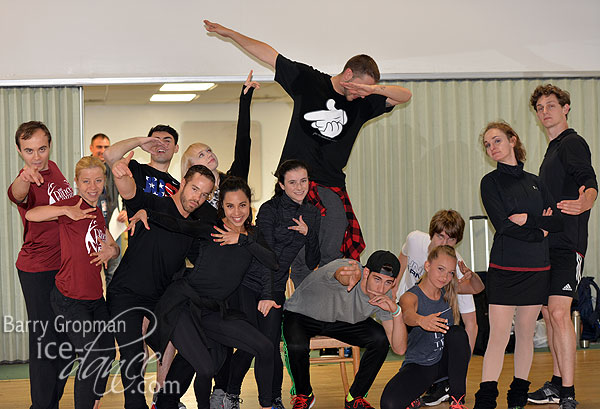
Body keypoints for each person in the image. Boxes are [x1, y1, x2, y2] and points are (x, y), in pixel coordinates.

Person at [203, 20, 412, 286]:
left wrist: (371, 90)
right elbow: (269, 54)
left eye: (365, 91)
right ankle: (295, 303)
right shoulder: (310, 81)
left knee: (334, 253)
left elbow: (404, 95)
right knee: (295, 255)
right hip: (296, 185)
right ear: (347, 74)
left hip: (331, 187)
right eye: (359, 87)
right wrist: (231, 33)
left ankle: (328, 299)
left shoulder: (363, 102)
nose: (360, 95)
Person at [131, 177, 278, 409]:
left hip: (213, 310)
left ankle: (267, 405)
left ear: (249, 204)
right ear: (222, 208)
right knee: (205, 367)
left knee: (265, 347)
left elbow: (272, 262)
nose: (237, 212)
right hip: (183, 306)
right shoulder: (212, 230)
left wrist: (241, 240)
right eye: (230, 206)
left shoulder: (253, 236)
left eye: (242, 205)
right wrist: (147, 213)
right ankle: (172, 402)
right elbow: (179, 225)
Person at [106, 149, 215, 409]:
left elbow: (204, 261)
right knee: (134, 354)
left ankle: (166, 401)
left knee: (194, 348)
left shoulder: (195, 226)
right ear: (183, 183)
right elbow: (129, 192)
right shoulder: (154, 203)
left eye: (204, 194)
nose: (197, 198)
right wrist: (119, 173)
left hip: (159, 301)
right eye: (194, 189)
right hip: (126, 294)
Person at [474, 121, 563, 409]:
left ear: (513, 140)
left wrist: (529, 221)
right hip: (505, 269)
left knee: (526, 334)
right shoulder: (490, 182)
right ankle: (486, 399)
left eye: (497, 140)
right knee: (498, 336)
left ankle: (517, 397)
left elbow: (557, 221)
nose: (492, 147)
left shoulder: (536, 182)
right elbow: (503, 226)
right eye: (487, 144)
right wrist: (540, 232)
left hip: (537, 270)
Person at [222, 160, 320, 409]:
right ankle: (229, 394)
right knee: (251, 343)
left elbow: (312, 261)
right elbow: (266, 255)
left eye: (303, 181)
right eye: (292, 182)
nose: (299, 187)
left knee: (270, 345)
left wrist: (309, 235)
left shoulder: (312, 213)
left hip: (275, 286)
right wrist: (266, 293)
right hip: (248, 283)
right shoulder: (269, 209)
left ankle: (273, 399)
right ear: (282, 185)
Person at [25, 156, 120, 409]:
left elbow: (112, 245)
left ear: (104, 181)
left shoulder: (97, 212)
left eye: (98, 180)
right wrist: (65, 210)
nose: (92, 187)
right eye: (86, 181)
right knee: (90, 357)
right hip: (69, 299)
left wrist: (112, 251)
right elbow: (32, 214)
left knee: (107, 353)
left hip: (95, 298)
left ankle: (94, 398)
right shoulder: (71, 205)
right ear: (76, 182)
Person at [527, 85, 597, 409]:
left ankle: (568, 393)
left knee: (558, 312)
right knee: (549, 313)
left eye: (551, 105)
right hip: (547, 243)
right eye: (540, 107)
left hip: (569, 244)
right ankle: (556, 383)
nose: (545, 111)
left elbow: (589, 181)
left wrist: (586, 202)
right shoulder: (551, 151)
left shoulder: (572, 143)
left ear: (565, 108)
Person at [283, 251, 407, 409]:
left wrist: (396, 312)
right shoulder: (348, 268)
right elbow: (340, 275)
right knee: (296, 346)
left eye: (388, 282)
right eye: (377, 279)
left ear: (394, 283)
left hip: (340, 321)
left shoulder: (385, 296)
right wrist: (349, 278)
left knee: (380, 340)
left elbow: (399, 349)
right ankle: (304, 394)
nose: (381, 288)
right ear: (366, 272)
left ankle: (355, 397)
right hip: (303, 314)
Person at [7, 121, 75, 409]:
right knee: (45, 343)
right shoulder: (27, 178)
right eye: (29, 151)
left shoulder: (55, 169)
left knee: (69, 344)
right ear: (19, 151)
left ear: (50, 146)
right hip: (38, 270)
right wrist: (25, 177)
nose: (36, 157)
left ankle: (47, 403)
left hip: (63, 267)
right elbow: (17, 194)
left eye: (42, 149)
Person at [380, 245, 484, 409]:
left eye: (450, 273)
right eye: (440, 269)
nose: (445, 277)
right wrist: (421, 320)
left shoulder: (448, 290)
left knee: (457, 333)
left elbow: (478, 288)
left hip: (445, 363)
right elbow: (407, 314)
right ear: (428, 266)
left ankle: (457, 400)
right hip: (421, 365)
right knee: (389, 404)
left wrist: (471, 274)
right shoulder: (411, 295)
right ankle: (415, 396)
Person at [395, 209, 479, 406]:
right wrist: (393, 285)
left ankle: (443, 384)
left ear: (457, 242)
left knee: (453, 334)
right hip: (410, 311)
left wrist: (461, 371)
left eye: (451, 239)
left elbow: (471, 324)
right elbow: (403, 255)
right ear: (431, 234)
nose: (444, 243)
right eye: (440, 236)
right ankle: (419, 381)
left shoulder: (456, 267)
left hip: (435, 325)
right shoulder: (415, 239)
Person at [90, 132, 127, 287]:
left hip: (112, 227)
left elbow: (126, 192)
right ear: (91, 148)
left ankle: (112, 302)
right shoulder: (85, 169)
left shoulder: (114, 169)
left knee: (114, 271)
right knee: (90, 270)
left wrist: (125, 209)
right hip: (90, 226)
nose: (103, 151)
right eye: (99, 147)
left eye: (106, 147)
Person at [103, 124, 181, 197]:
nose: (161, 144)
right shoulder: (134, 169)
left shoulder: (177, 187)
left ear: (176, 148)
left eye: (167, 141)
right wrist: (139, 142)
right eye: (156, 141)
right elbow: (109, 155)